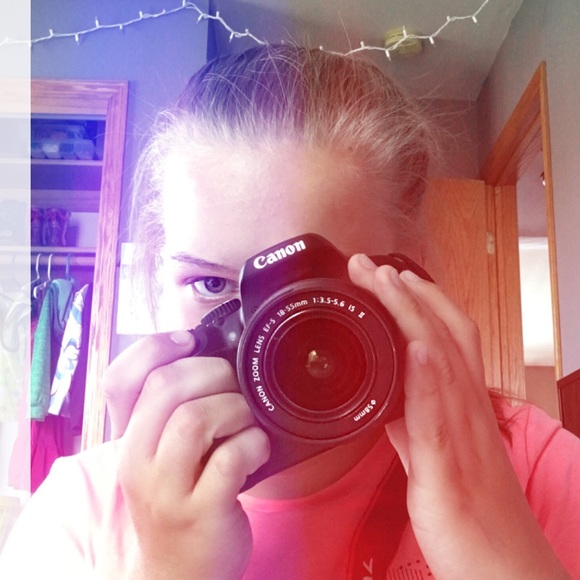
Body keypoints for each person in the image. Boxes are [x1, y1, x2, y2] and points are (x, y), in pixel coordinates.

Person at [2, 44, 580, 579]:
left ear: (408, 275)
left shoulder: (530, 468)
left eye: (311, 288)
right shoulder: (78, 512)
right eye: (210, 283)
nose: (272, 337)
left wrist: (497, 553)